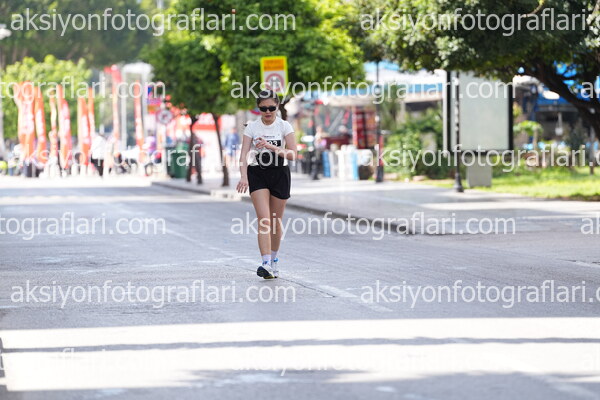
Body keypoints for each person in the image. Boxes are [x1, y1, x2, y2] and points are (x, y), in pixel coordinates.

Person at [236, 90, 297, 279]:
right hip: (258, 174)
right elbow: (244, 154)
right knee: (264, 220)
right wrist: (243, 176)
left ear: (277, 106)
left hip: (279, 174)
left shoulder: (284, 126)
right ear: (258, 109)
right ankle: (265, 263)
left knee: (276, 222)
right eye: (263, 108)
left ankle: (274, 260)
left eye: (271, 107)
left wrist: (271, 147)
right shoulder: (252, 127)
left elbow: (293, 154)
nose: (268, 112)